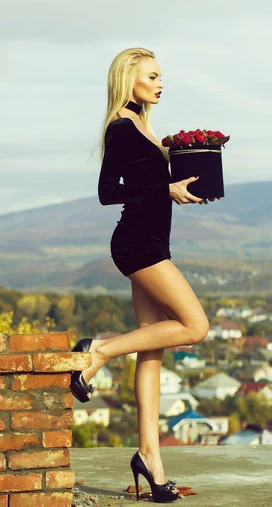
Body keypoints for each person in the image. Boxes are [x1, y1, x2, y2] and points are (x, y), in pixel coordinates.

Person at [69, 47, 222, 503]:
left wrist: (181, 182)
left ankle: (150, 460)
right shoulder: (121, 127)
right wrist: (165, 186)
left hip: (154, 241)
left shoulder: (141, 126)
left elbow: (148, 184)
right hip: (137, 244)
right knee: (195, 327)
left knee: (153, 347)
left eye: (161, 77)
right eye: (152, 76)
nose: (160, 83)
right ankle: (97, 351)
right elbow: (105, 192)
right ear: (128, 77)